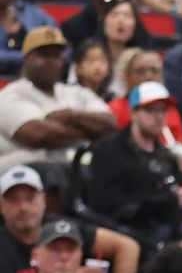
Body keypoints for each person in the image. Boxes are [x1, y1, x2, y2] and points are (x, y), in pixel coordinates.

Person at [0, 164, 137, 273]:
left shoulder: (62, 227)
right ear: (1, 206)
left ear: (44, 200)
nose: (23, 207)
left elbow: (128, 246)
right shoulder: (4, 247)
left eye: (30, 198)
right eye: (14, 200)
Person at [85, 82, 182, 245]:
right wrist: (166, 200)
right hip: (127, 231)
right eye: (150, 110)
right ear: (133, 112)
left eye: (163, 110)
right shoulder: (109, 151)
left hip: (163, 227)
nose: (158, 117)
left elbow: (171, 193)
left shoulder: (166, 154)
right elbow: (112, 205)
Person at [0, 28, 113, 171]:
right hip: (21, 179)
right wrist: (89, 132)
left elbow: (110, 125)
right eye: (44, 55)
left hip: (72, 174)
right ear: (26, 58)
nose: (51, 62)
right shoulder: (11, 94)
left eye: (56, 56)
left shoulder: (76, 92)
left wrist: (71, 115)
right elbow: (39, 136)